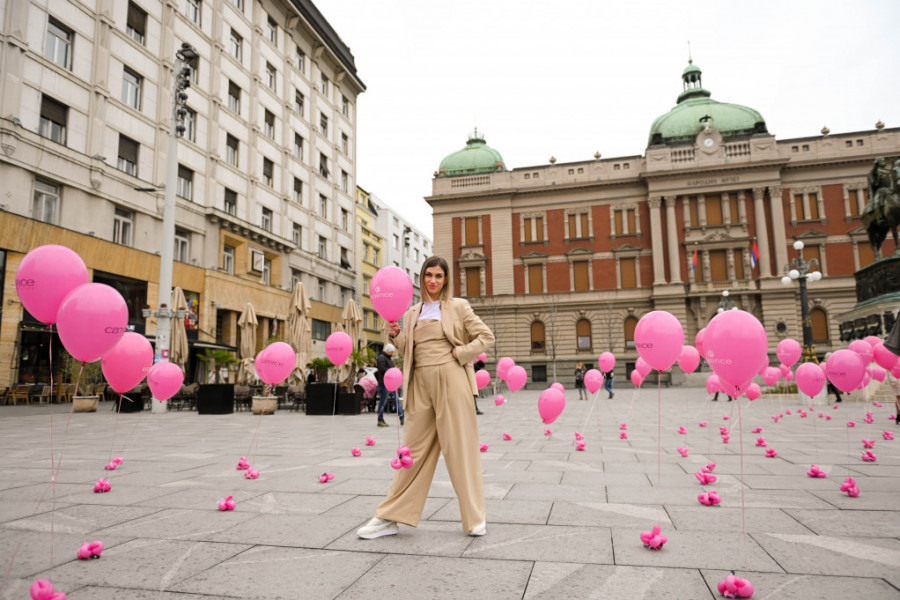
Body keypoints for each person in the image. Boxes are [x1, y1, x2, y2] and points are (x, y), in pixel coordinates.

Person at [357, 256, 495, 539]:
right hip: (419, 382)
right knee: (412, 451)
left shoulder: (458, 307)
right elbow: (410, 351)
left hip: (451, 378)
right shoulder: (411, 313)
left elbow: (486, 337)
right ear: (421, 278)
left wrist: (461, 353)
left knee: (460, 449)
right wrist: (396, 336)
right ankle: (390, 517)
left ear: (445, 280)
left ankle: (474, 517)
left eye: (439, 276)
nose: (433, 280)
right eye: (428, 275)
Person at [375, 344, 404, 427]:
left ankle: (402, 418)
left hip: (391, 384)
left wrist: (395, 370)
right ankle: (380, 420)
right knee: (383, 402)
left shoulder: (388, 359)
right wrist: (393, 370)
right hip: (384, 384)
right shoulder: (381, 358)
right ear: (388, 351)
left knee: (396, 401)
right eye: (391, 352)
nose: (392, 353)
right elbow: (382, 369)